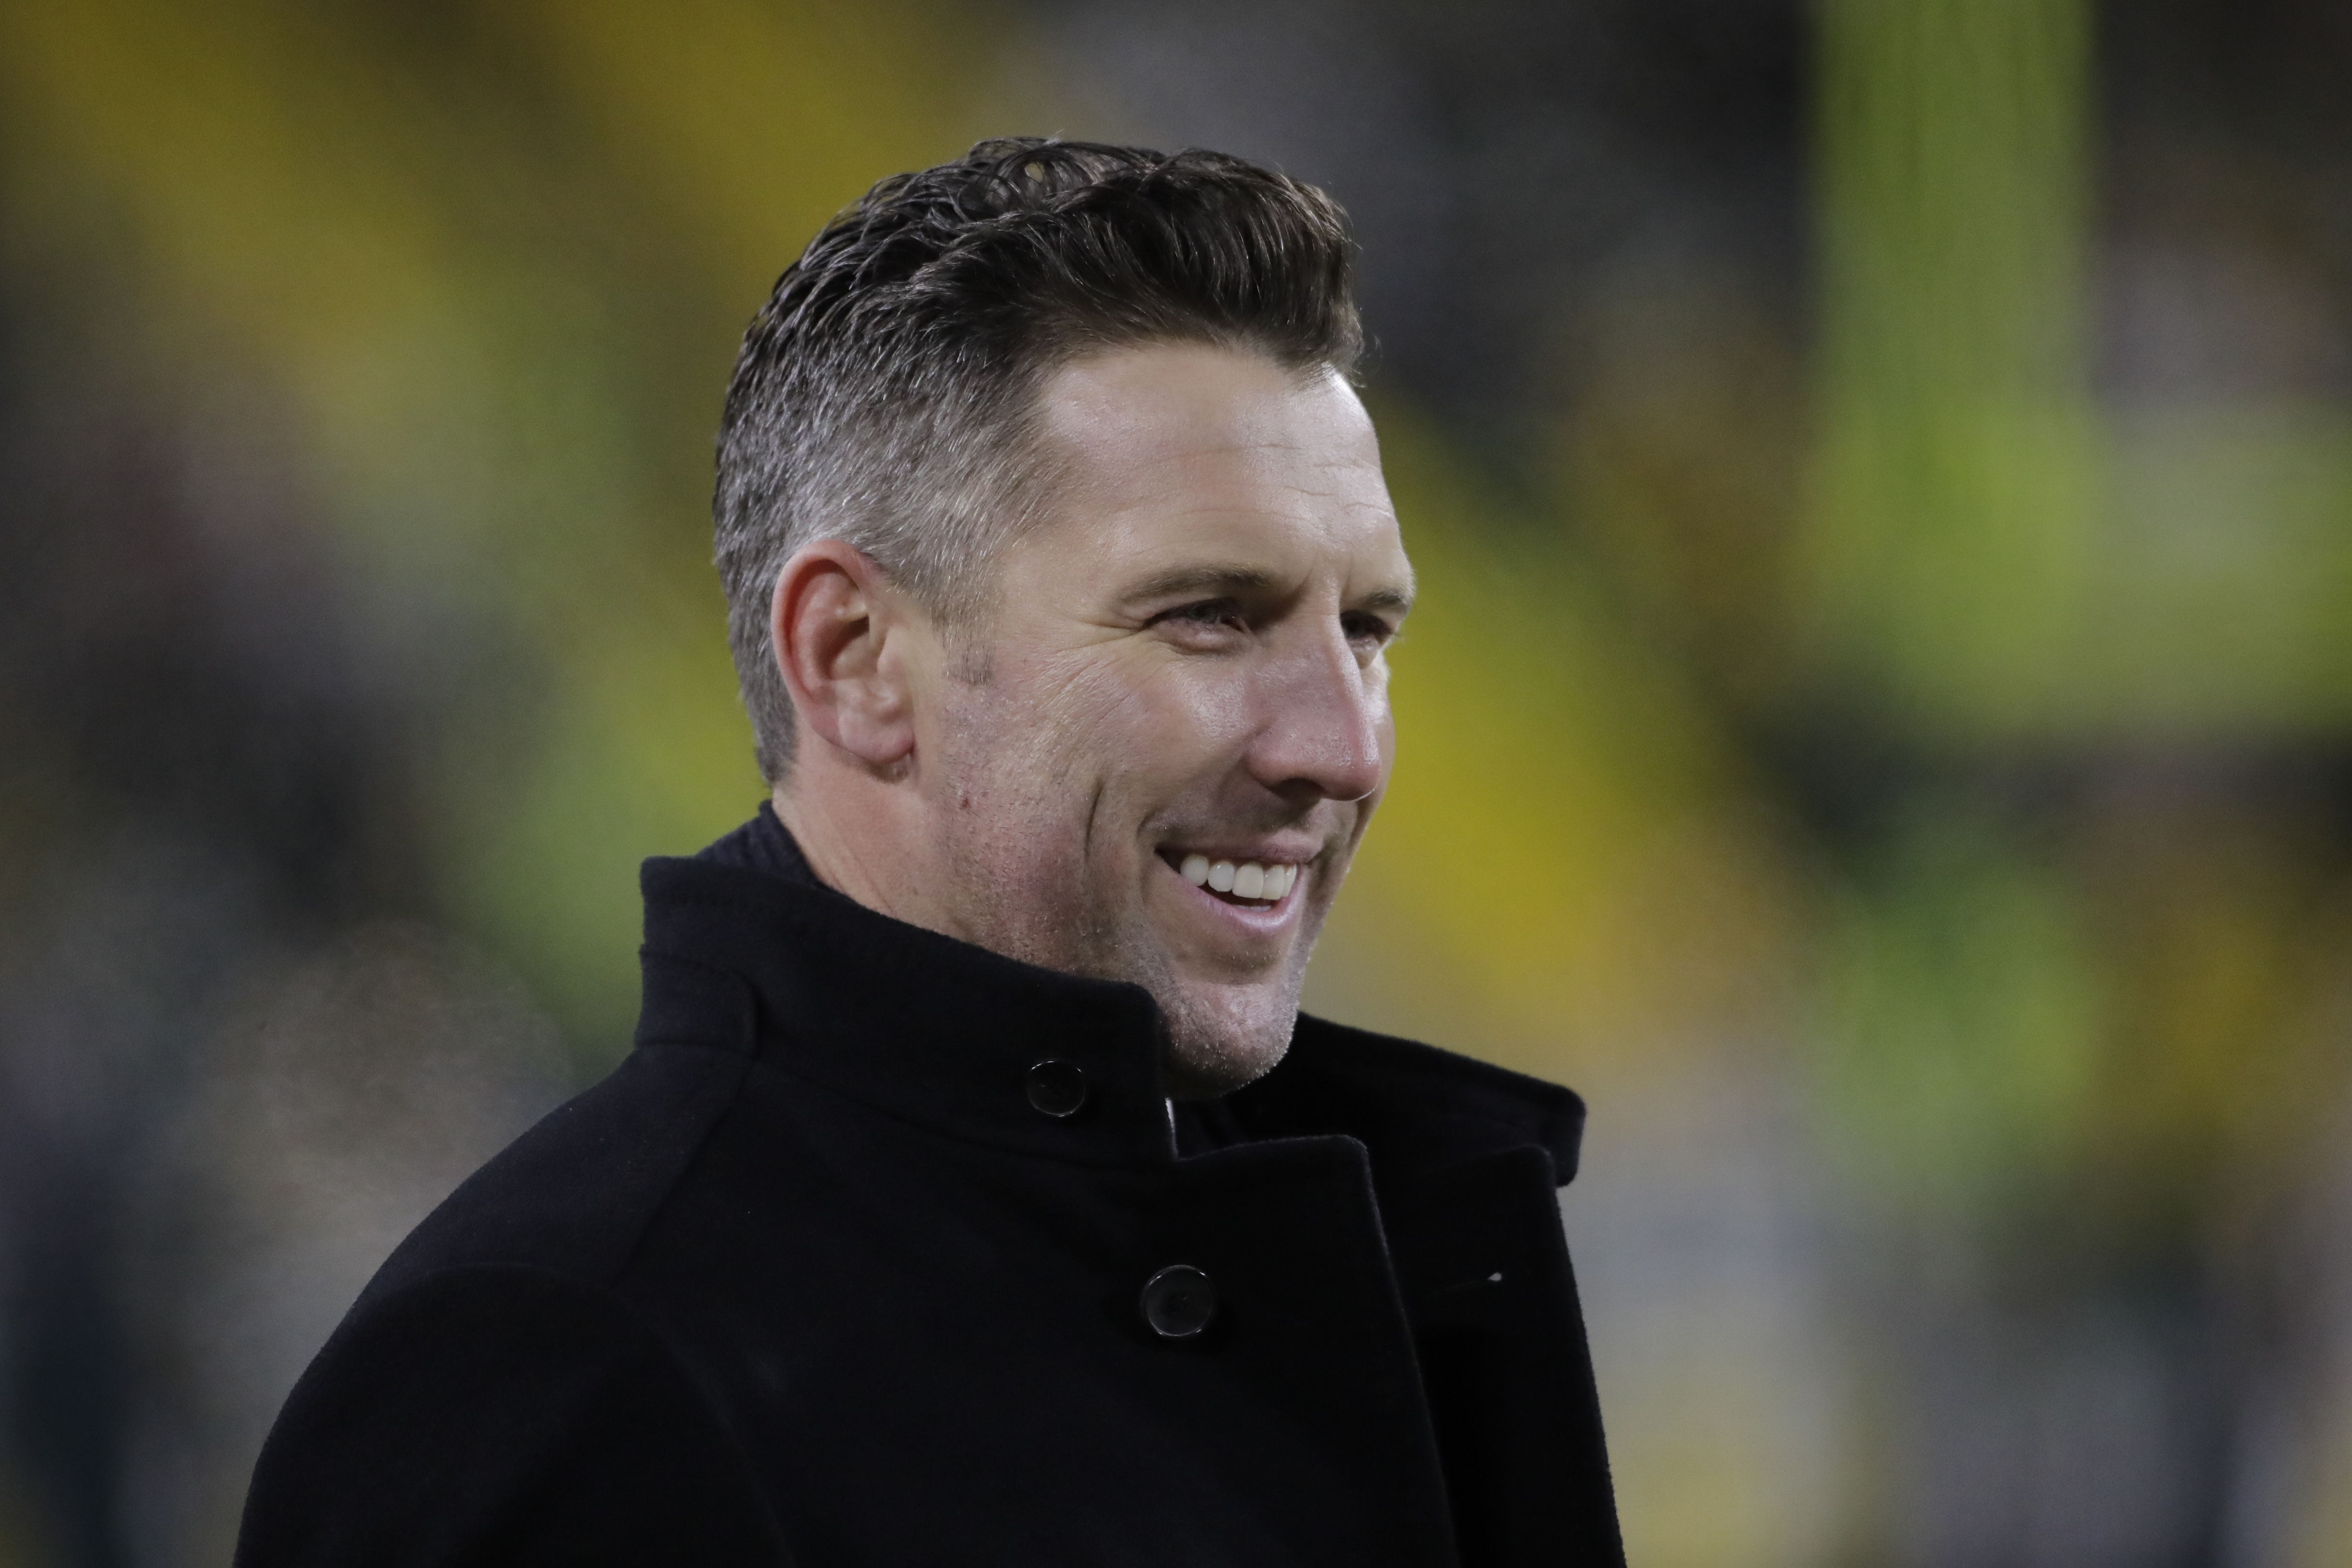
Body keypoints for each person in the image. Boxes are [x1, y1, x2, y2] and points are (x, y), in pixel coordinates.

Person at [235, 138, 1623, 1568]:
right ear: (854, 662)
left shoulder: (1404, 1245)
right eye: (1210, 613)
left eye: (1366, 630)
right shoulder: (548, 1371)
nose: (1339, 748)